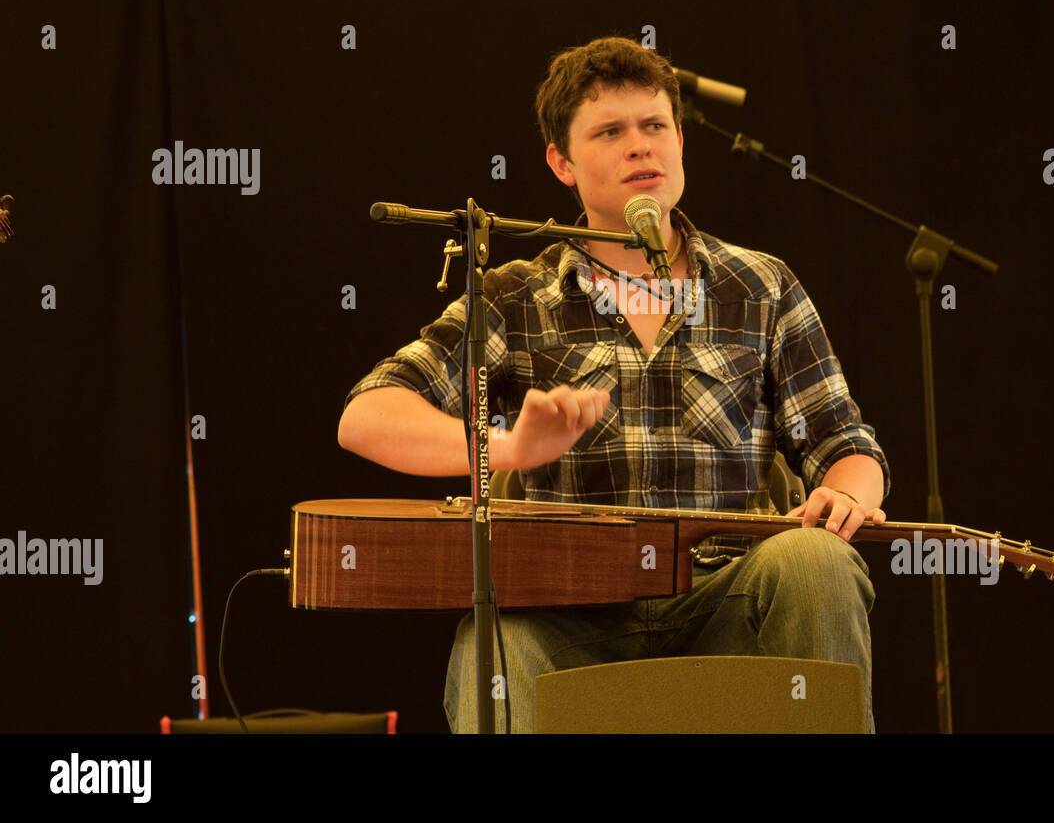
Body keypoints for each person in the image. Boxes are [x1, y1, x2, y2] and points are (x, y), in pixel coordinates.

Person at [337, 36, 891, 732]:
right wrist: (508, 447)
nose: (640, 147)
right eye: (610, 132)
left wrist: (845, 494)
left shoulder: (760, 284)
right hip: (572, 622)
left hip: (729, 601)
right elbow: (366, 416)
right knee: (493, 642)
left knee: (817, 560)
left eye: (655, 126)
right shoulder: (517, 296)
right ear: (561, 163)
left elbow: (846, 442)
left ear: (681, 142)